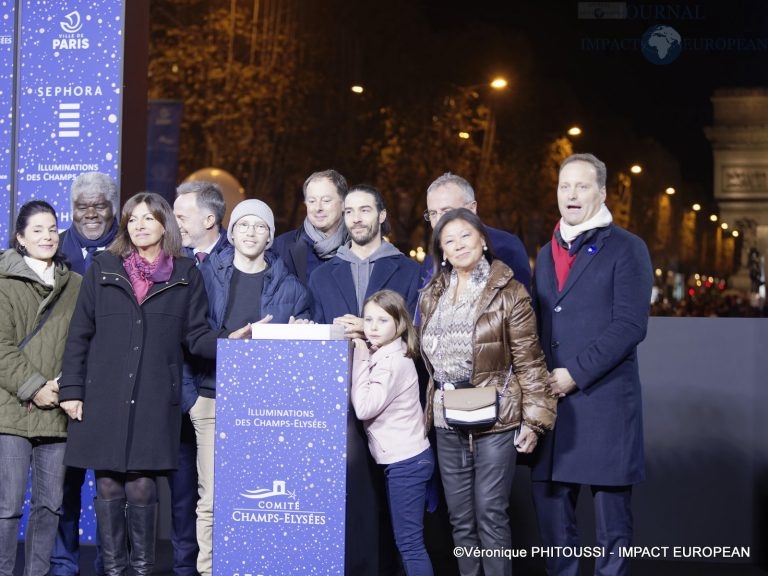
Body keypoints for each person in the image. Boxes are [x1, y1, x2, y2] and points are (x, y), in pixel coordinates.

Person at [58, 193, 251, 576]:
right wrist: (72, 390)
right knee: (109, 486)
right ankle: (114, 570)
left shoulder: (184, 272)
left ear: (165, 224)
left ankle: (143, 571)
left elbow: (195, 335)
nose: (139, 225)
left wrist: (232, 339)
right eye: (132, 219)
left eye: (148, 218)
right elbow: (80, 333)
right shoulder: (104, 267)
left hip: (152, 399)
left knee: (142, 487)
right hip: (104, 396)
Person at [530, 153, 653, 576]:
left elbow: (630, 325)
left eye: (582, 186)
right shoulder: (545, 252)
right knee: (555, 531)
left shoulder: (628, 247)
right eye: (565, 186)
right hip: (553, 408)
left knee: (611, 533)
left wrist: (574, 374)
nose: (571, 194)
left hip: (603, 405)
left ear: (601, 192)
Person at [419, 208, 556, 576]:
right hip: (447, 419)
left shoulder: (510, 292)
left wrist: (536, 421)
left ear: (482, 240)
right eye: (449, 240)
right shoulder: (432, 294)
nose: (458, 244)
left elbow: (530, 361)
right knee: (460, 521)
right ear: (441, 252)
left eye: (466, 235)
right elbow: (420, 350)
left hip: (496, 419)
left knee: (490, 515)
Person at [183, 197, 312, 576]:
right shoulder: (205, 275)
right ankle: (208, 571)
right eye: (244, 225)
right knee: (211, 498)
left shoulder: (292, 289)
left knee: (255, 498)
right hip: (211, 397)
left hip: (265, 408)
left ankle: (253, 565)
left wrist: (301, 333)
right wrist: (193, 395)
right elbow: (190, 333)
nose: (251, 233)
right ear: (232, 232)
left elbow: (306, 346)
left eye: (260, 227)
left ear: (270, 237)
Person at [309, 184, 420, 576]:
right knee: (346, 501)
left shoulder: (408, 270)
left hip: (393, 409)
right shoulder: (322, 276)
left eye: (365, 210)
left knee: (394, 513)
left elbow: (417, 336)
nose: (357, 218)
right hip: (338, 404)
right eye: (351, 211)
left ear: (382, 215)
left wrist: (372, 335)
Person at [0, 200, 82, 576]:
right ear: (19, 237)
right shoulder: (2, 282)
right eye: (37, 230)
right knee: (8, 506)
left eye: (52, 228)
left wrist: (64, 388)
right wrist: (34, 388)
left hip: (57, 411)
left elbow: (82, 344)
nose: (47, 236)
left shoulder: (76, 284)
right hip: (11, 409)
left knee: (50, 505)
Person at [53, 171, 119, 576]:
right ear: (72, 209)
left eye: (100, 205)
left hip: (113, 384)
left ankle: (116, 565)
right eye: (83, 206)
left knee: (114, 485)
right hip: (64, 384)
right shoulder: (53, 248)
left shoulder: (130, 249)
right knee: (64, 482)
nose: (91, 213)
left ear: (113, 208)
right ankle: (63, 565)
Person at [351, 290, 434, 576]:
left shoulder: (391, 361)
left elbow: (364, 407)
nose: (372, 327)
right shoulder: (387, 352)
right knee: (405, 543)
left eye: (382, 320)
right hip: (403, 460)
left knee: (410, 545)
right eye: (368, 319)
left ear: (399, 325)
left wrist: (360, 358)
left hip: (407, 463)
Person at [172, 180, 232, 576]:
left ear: (209, 219)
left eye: (181, 216)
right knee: (181, 496)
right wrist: (187, 395)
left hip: (224, 397)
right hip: (180, 396)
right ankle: (183, 568)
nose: (172, 223)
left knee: (222, 495)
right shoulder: (171, 261)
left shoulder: (244, 258)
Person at [420, 172, 531, 292]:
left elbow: (521, 304)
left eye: (447, 211)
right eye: (433, 213)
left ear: (472, 208)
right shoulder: (431, 260)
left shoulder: (508, 247)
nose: (438, 221)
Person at [271, 169, 349, 285]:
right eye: (312, 201)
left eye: (326, 200)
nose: (318, 208)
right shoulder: (280, 247)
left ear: (344, 204)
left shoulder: (361, 249)